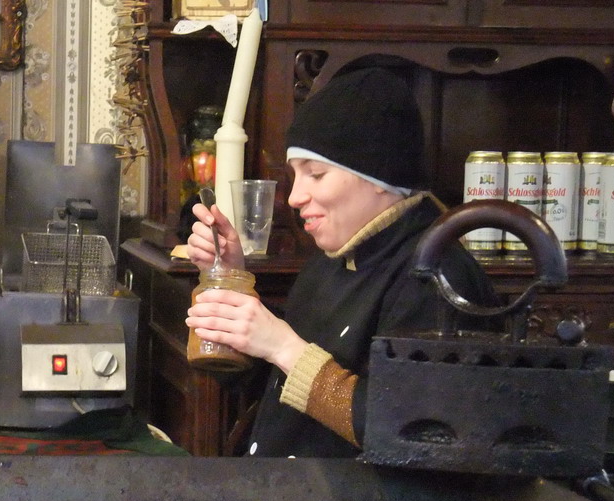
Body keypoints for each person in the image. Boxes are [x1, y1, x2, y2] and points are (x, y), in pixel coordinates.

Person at [185, 65, 500, 458]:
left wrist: (283, 345)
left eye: (315, 174)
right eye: (295, 175)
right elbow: (277, 386)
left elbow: (412, 433)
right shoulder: (334, 256)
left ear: (378, 178)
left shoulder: (436, 276)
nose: (295, 196)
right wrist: (231, 279)